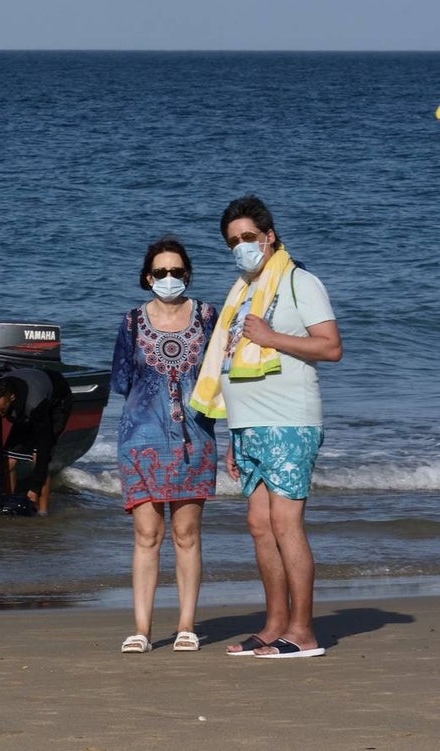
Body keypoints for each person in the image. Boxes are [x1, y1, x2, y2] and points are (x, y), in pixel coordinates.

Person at [191, 195, 342, 659]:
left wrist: (272, 337)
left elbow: (331, 347)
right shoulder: (242, 291)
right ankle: (276, 623)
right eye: (233, 242)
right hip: (250, 426)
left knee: (285, 524)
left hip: (289, 420)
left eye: (248, 238)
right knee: (259, 525)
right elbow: (234, 361)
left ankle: (304, 632)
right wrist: (235, 431)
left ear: (269, 236)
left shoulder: (300, 282)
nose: (241, 247)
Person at [111, 236, 218, 654]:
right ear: (147, 277)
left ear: (187, 274)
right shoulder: (132, 322)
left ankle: (187, 626)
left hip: (196, 437)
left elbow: (222, 371)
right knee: (146, 534)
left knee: (187, 533)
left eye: (176, 271)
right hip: (140, 439)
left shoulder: (209, 316)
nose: (169, 278)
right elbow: (122, 381)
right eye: (160, 272)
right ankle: (141, 628)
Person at [0, 367, 73, 517]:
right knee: (9, 460)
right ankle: (8, 502)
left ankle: (43, 513)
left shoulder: (35, 404)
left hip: (57, 401)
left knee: (39, 456)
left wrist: (35, 488)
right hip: (25, 403)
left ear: (11, 398)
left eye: (0, 409)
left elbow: (44, 448)